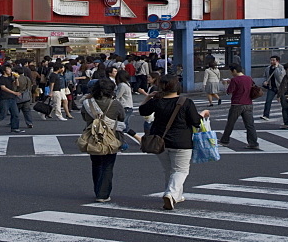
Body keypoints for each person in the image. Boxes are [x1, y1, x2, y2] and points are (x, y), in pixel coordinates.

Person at [139, 74, 208, 210]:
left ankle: (176, 195)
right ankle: (170, 193)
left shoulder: (157, 101)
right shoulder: (186, 102)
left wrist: (148, 97)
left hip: (160, 142)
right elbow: (195, 122)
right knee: (181, 170)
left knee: (169, 170)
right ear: (177, 86)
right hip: (181, 141)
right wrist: (204, 113)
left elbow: (142, 110)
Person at [81, 78, 125, 203]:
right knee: (108, 165)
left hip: (93, 135)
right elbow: (122, 117)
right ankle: (103, 193)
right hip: (111, 136)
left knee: (96, 164)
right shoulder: (115, 103)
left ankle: (97, 190)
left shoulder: (87, 102)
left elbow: (84, 117)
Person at [219, 63, 259, 150]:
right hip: (248, 103)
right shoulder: (249, 78)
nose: (231, 73)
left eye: (231, 71)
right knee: (250, 125)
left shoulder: (234, 80)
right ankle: (253, 142)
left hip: (237, 104)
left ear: (234, 70)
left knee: (230, 123)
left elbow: (229, 91)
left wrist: (225, 84)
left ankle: (224, 140)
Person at [261, 54, 285, 121]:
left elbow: (279, 77)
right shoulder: (268, 68)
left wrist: (276, 68)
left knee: (283, 102)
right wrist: (265, 82)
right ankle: (266, 115)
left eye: (273, 60)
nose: (271, 61)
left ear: (277, 61)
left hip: (280, 87)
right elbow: (265, 76)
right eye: (271, 60)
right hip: (271, 87)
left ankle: (285, 117)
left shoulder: (281, 68)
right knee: (268, 101)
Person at [114, 70, 134, 138]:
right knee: (124, 125)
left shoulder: (122, 85)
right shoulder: (127, 84)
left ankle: (138, 138)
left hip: (125, 107)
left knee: (122, 126)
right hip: (128, 106)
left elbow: (117, 96)